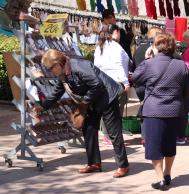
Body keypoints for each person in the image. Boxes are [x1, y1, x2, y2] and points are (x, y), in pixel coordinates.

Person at [40, 49, 129, 177]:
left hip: (107, 97)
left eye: (50, 68)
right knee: (89, 129)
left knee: (113, 132)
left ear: (58, 63)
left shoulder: (79, 66)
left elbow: (97, 85)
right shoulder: (64, 74)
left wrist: (84, 103)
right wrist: (42, 106)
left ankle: (123, 165)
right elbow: (57, 92)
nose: (50, 71)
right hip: (92, 101)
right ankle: (94, 163)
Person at [132, 33, 189, 191]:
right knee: (169, 144)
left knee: (154, 145)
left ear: (155, 46)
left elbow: (136, 78)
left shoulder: (149, 64)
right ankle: (167, 173)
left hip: (154, 110)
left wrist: (146, 59)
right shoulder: (182, 66)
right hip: (174, 110)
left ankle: (160, 179)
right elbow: (188, 91)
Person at [94, 24, 130, 146]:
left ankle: (107, 135)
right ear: (116, 32)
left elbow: (96, 66)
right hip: (116, 82)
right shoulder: (115, 47)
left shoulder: (99, 47)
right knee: (116, 111)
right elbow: (118, 64)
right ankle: (113, 136)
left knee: (107, 110)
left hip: (103, 82)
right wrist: (125, 82)